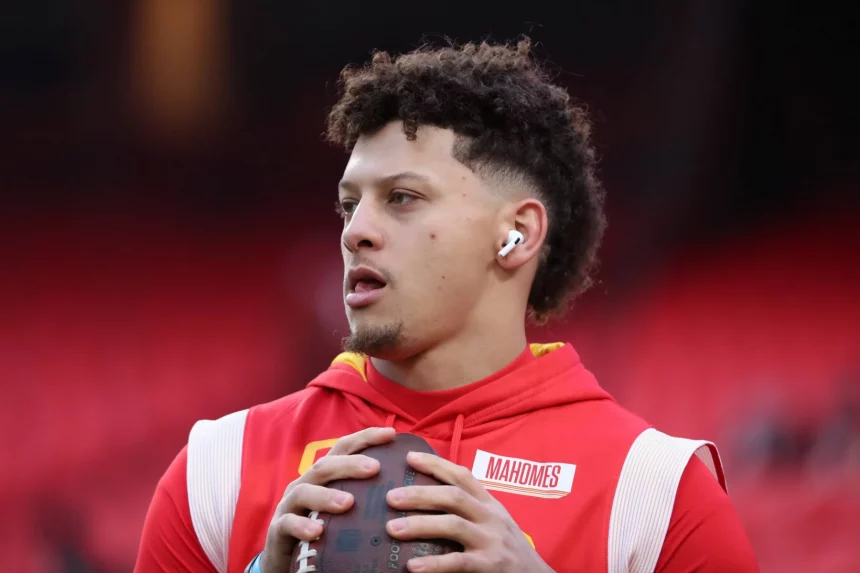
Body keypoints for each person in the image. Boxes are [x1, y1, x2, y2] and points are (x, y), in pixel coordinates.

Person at [134, 39, 758, 573]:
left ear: (516, 234)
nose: (356, 232)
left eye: (402, 198)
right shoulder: (217, 471)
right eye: (350, 204)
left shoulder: (654, 493)